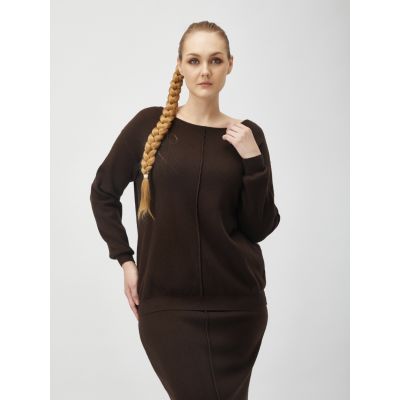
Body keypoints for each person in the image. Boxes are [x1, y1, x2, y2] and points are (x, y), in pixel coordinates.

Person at [90, 20, 280, 400]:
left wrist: (253, 161)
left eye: (215, 60)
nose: (205, 70)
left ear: (230, 65)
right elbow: (103, 192)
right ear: (179, 65)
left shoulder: (248, 135)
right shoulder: (148, 126)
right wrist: (125, 260)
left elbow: (258, 226)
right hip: (168, 308)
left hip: (238, 308)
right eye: (194, 60)